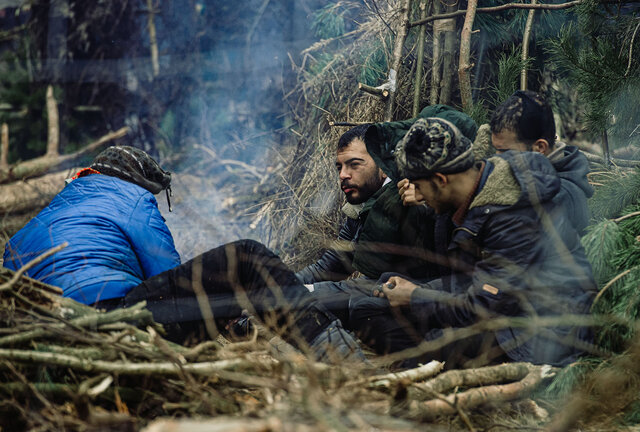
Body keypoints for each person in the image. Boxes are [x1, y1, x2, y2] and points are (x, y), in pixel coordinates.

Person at [3, 146, 364, 363]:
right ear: (138, 182)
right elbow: (172, 280)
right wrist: (226, 307)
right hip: (114, 322)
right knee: (247, 258)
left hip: (49, 335)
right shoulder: (131, 199)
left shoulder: (33, 224)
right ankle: (344, 359)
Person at [350, 117, 597, 368]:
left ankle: (435, 373)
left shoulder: (509, 214)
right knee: (369, 308)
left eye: (419, 185)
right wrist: (413, 291)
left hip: (544, 333)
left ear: (441, 180)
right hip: (503, 302)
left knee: (423, 339)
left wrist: (415, 296)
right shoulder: (480, 185)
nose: (417, 194)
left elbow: (481, 308)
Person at [490, 90, 594, 235]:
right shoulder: (535, 177)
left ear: (540, 148)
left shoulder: (557, 198)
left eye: (506, 152)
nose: (496, 159)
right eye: (495, 149)